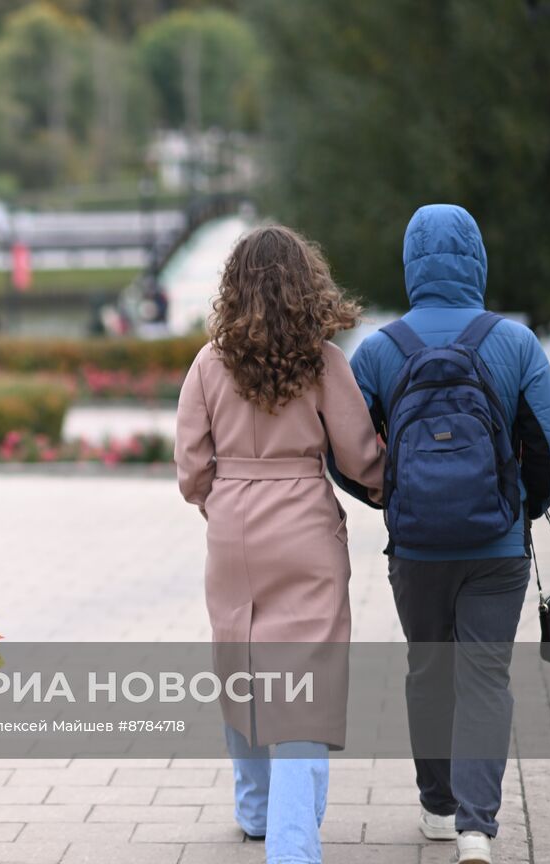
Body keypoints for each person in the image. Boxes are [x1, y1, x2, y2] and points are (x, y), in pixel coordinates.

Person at [332, 204, 550, 864]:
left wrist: (388, 500)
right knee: (486, 677)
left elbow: (342, 452)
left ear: (411, 265)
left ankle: (437, 808)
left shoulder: (379, 350)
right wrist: (524, 506)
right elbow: (549, 447)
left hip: (417, 548)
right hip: (497, 547)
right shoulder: (515, 344)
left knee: (428, 668)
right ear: (477, 259)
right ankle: (476, 828)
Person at [175, 225, 385, 864]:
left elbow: (190, 468)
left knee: (240, 665)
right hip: (304, 525)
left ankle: (256, 809)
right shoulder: (323, 361)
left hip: (233, 527)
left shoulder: (209, 362)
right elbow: (360, 455)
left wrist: (223, 500)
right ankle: (293, 844)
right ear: (306, 286)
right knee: (305, 680)